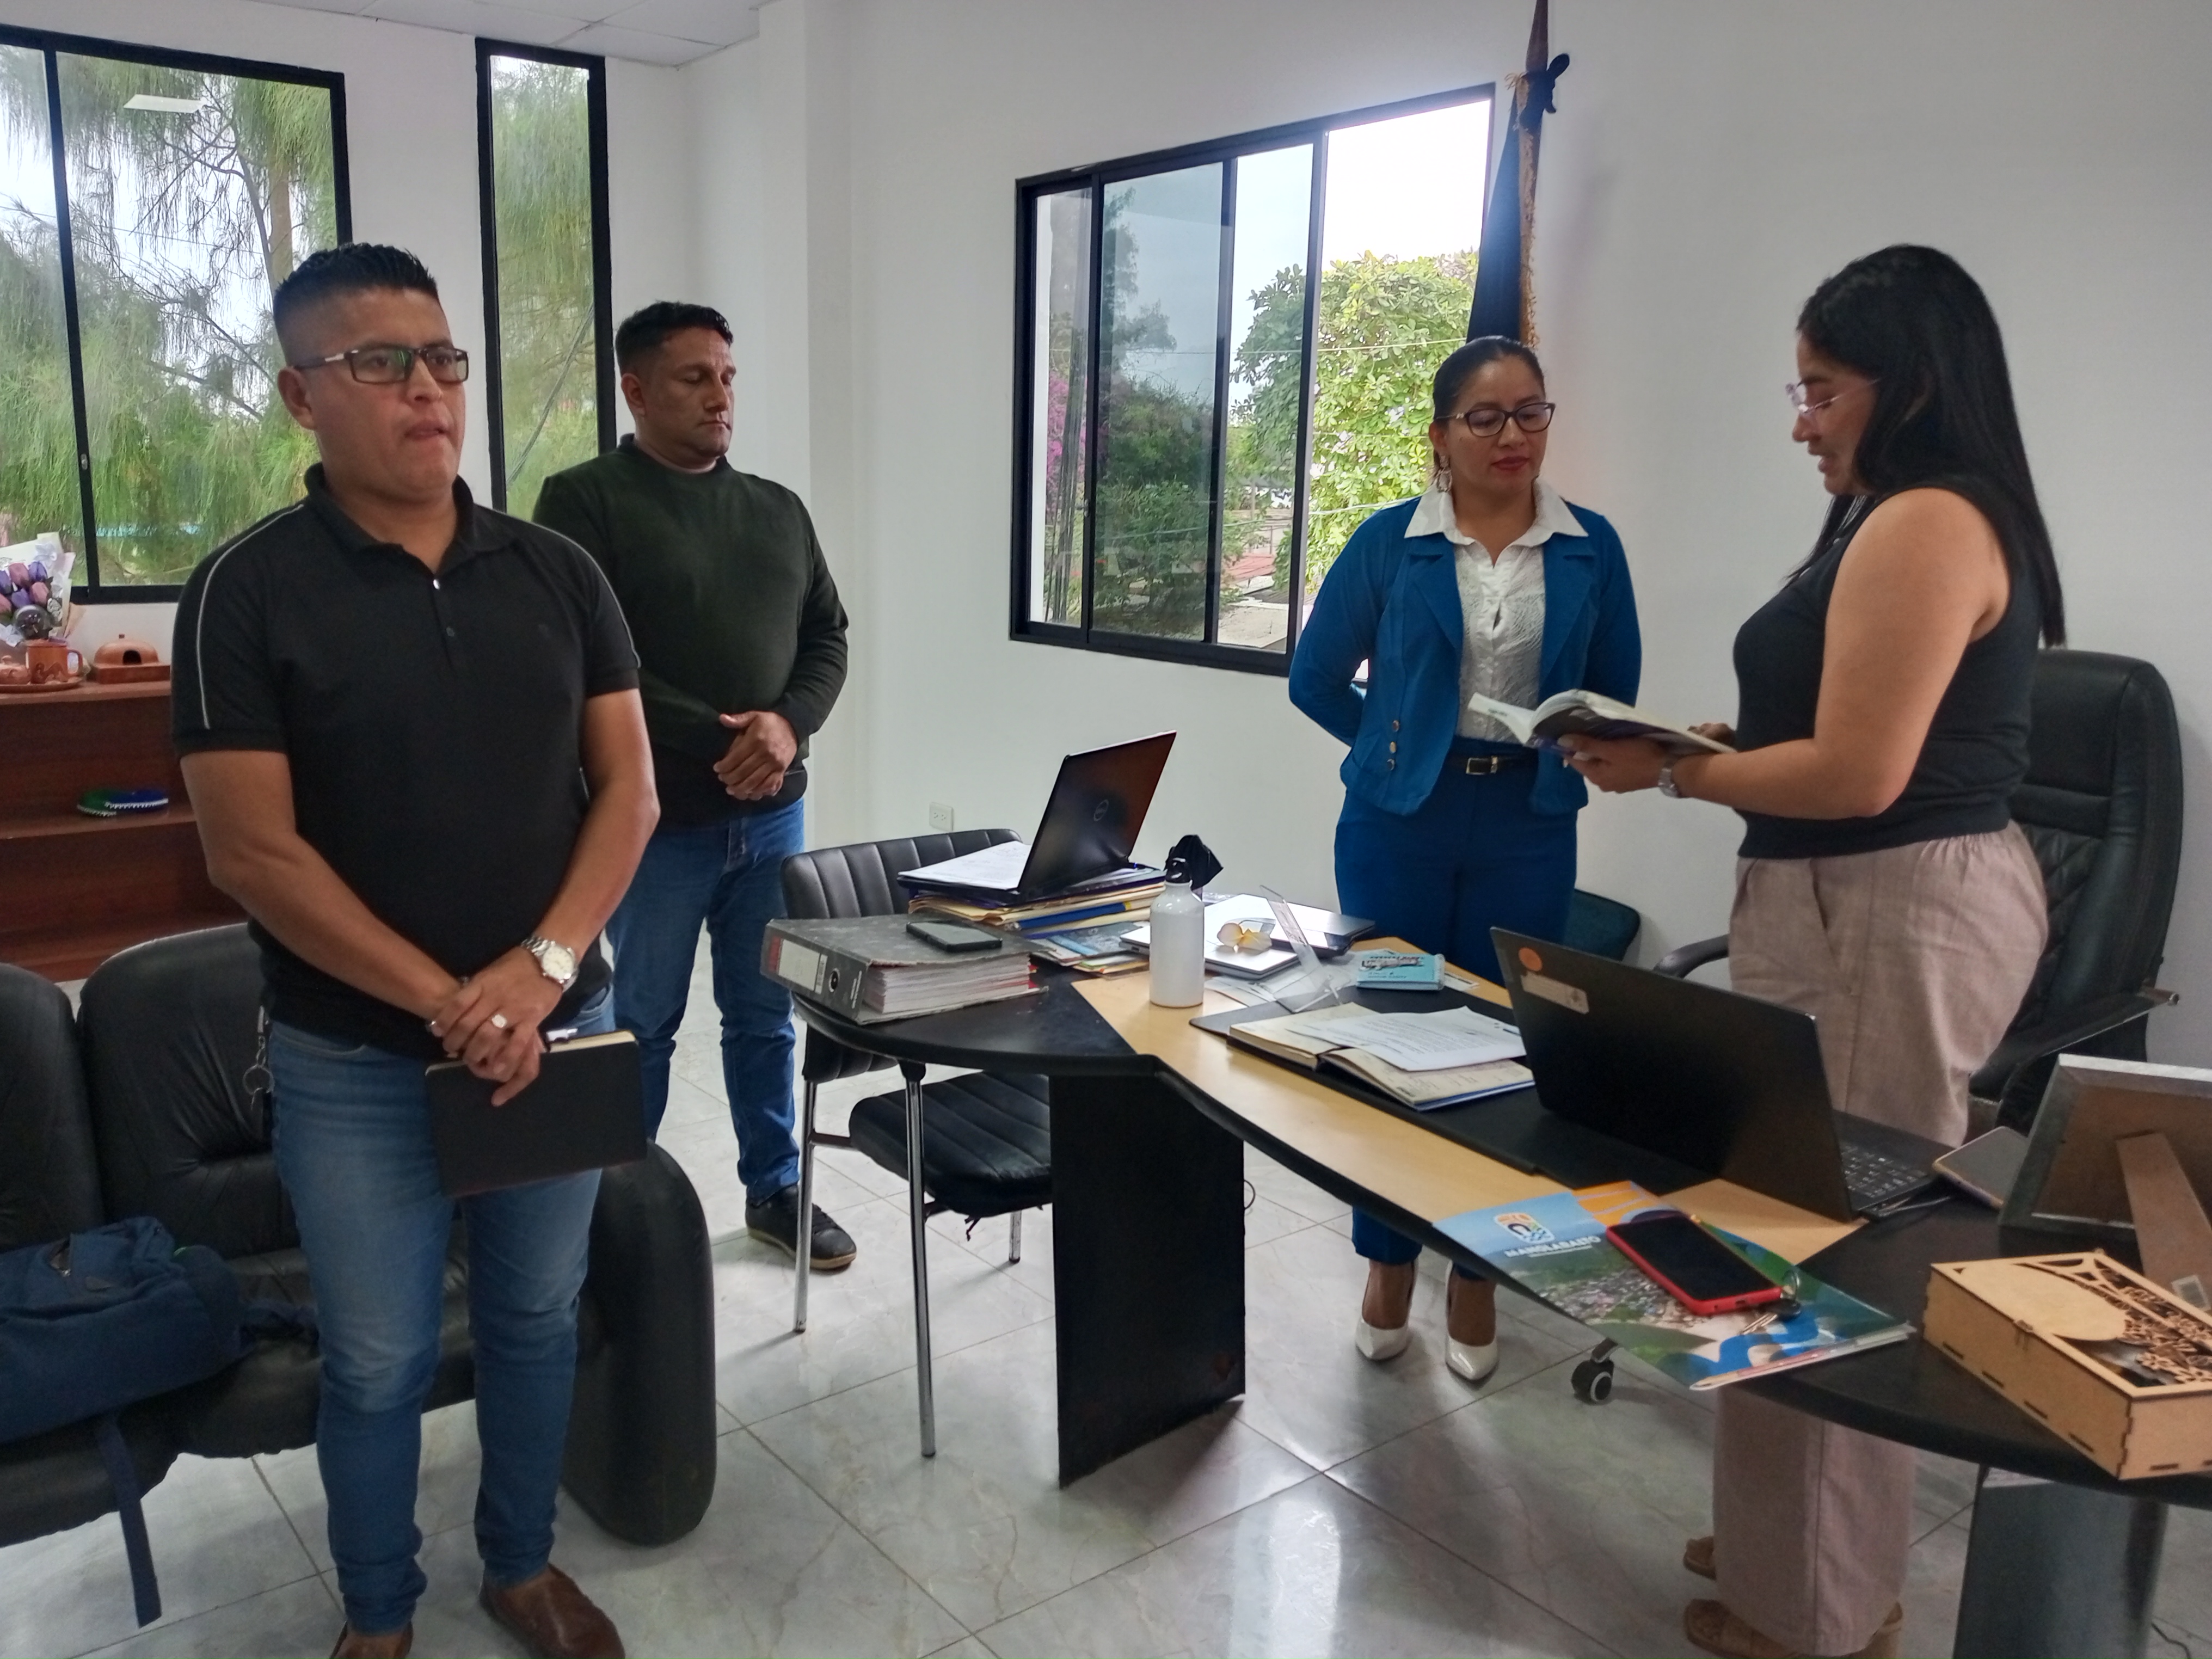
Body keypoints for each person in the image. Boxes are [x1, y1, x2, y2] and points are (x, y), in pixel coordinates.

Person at [1566, 245, 2062, 1659]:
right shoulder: (1881, 516)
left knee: (1831, 1256)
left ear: (1910, 386)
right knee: (1773, 1226)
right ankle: (1786, 1544)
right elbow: (1838, 731)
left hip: (1890, 910)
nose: (1801, 421)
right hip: (1850, 904)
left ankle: (1820, 1615)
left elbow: (1859, 774)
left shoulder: (1927, 520)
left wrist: (1675, 775)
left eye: (1821, 388)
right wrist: (1709, 744)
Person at [173, 244, 658, 1659]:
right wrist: (457, 1003)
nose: (426, 390)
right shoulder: (245, 593)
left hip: (552, 1038)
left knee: (535, 1317)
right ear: (300, 396)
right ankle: (378, 1616)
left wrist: (541, 972)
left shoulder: (558, 572)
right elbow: (252, 854)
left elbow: (629, 791)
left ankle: (520, 1567)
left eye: (441, 359)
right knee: (379, 1357)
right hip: (355, 1061)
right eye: (379, 363)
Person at [1289, 336, 1642, 1384]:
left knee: (1504, 1053)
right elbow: (1316, 678)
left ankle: (1477, 1270)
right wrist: (1397, 751)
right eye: (1484, 417)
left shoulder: (1590, 547)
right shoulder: (1390, 543)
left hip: (1527, 825)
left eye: (1531, 412)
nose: (1511, 435)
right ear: (1442, 435)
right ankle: (1389, 1259)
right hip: (1398, 828)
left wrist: (1590, 747)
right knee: (1392, 1037)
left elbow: (1612, 691)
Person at [533, 303, 856, 1271]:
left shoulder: (778, 509)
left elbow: (828, 636)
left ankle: (776, 1189)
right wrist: (728, 737)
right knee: (640, 1023)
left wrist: (787, 725)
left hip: (773, 817)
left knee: (763, 1016)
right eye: (694, 378)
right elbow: (582, 656)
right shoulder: (585, 502)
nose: (720, 396)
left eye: (727, 376)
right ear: (635, 391)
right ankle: (617, 1209)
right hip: (651, 822)